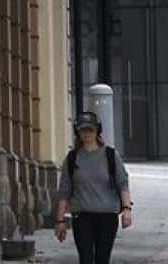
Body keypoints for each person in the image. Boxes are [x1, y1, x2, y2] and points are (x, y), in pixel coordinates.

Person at [53, 111, 132, 264]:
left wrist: (127, 210)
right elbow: (64, 191)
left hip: (107, 216)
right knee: (85, 258)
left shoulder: (110, 155)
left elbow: (123, 182)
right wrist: (59, 220)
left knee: (103, 258)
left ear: (97, 131)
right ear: (78, 132)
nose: (87, 133)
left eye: (90, 129)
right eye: (83, 130)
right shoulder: (72, 158)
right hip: (82, 216)